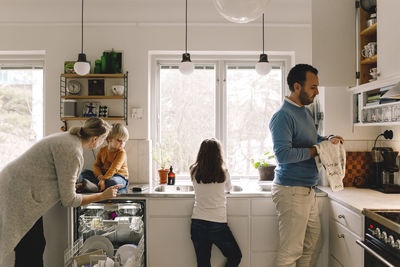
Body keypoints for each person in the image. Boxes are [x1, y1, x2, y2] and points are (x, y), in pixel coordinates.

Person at [0, 118, 123, 267]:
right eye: (103, 140)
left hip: (18, 187)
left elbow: (51, 174)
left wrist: (73, 186)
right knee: (30, 246)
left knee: (33, 244)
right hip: (19, 192)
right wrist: (102, 196)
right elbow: (69, 200)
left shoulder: (69, 139)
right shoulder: (73, 150)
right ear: (95, 139)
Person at [269, 64, 343, 267]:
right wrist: (317, 149)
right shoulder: (283, 116)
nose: (317, 92)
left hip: (307, 189)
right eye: (313, 87)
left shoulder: (305, 113)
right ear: (297, 87)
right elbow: (283, 155)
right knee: (290, 252)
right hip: (291, 190)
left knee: (310, 243)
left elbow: (313, 139)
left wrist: (327, 139)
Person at [189, 138, 242, 267]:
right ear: (219, 154)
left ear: (201, 152)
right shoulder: (223, 172)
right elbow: (228, 189)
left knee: (203, 264)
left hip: (198, 223)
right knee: (235, 256)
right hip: (217, 224)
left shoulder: (193, 170)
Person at [79, 123, 129, 194]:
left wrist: (103, 179)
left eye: (124, 141)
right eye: (119, 140)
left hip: (119, 177)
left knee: (113, 182)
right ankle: (98, 186)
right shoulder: (102, 150)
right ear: (109, 139)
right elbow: (96, 165)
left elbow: (114, 169)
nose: (122, 143)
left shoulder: (121, 153)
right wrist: (100, 176)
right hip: (103, 176)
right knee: (84, 173)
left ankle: (95, 187)